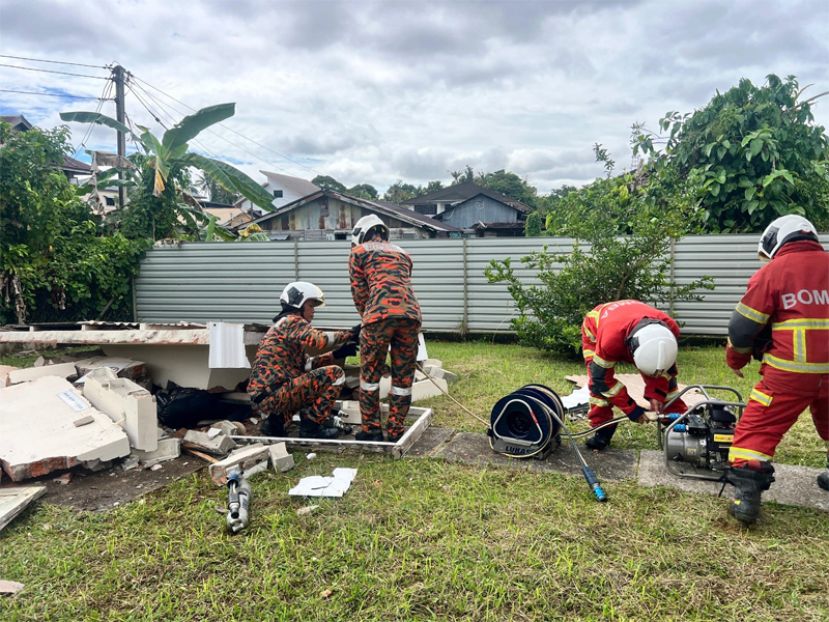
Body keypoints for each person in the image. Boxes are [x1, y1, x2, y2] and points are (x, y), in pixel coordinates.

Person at [724, 214, 828, 525]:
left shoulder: (774, 272)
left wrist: (737, 360)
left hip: (790, 373)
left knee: (756, 431)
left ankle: (746, 499)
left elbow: (742, 330)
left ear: (775, 241)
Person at [247, 281, 358, 439]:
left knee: (309, 382)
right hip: (276, 392)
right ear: (298, 303)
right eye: (311, 305)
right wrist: (350, 334)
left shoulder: (283, 326)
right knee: (336, 374)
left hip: (267, 395)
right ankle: (312, 428)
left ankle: (275, 422)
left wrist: (336, 354)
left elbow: (307, 365)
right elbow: (319, 340)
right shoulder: (292, 320)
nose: (313, 311)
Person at [349, 214, 422, 442]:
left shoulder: (359, 253)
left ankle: (370, 430)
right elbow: (401, 285)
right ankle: (395, 430)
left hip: (378, 317)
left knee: (370, 376)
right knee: (403, 379)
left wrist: (367, 320)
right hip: (411, 317)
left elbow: (360, 293)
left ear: (360, 235)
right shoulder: (403, 253)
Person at [581, 300, 688, 450]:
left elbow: (664, 369)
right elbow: (602, 380)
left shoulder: (671, 329)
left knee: (668, 384)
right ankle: (602, 430)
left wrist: (657, 393)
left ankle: (678, 422)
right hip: (596, 330)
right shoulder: (609, 341)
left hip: (630, 323)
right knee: (597, 385)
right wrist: (632, 409)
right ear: (631, 353)